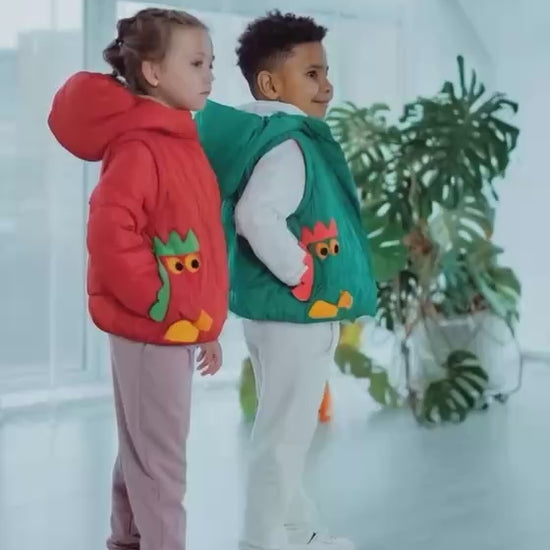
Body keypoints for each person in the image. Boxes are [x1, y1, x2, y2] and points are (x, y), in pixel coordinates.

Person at [195, 10, 377, 550]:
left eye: (326, 72)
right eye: (313, 74)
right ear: (272, 85)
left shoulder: (264, 136)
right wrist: (303, 273)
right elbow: (255, 215)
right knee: (283, 438)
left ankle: (300, 532)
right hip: (297, 314)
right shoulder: (291, 145)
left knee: (284, 431)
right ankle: (260, 541)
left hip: (273, 314)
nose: (327, 86)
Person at [48, 8, 228, 550]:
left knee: (145, 448)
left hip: (172, 327)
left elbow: (195, 243)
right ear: (152, 72)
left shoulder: (180, 143)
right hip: (153, 328)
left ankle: (127, 539)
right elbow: (110, 234)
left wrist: (204, 324)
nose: (209, 74)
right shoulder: (140, 147)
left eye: (211, 63)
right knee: (162, 460)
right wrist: (164, 302)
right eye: (196, 63)